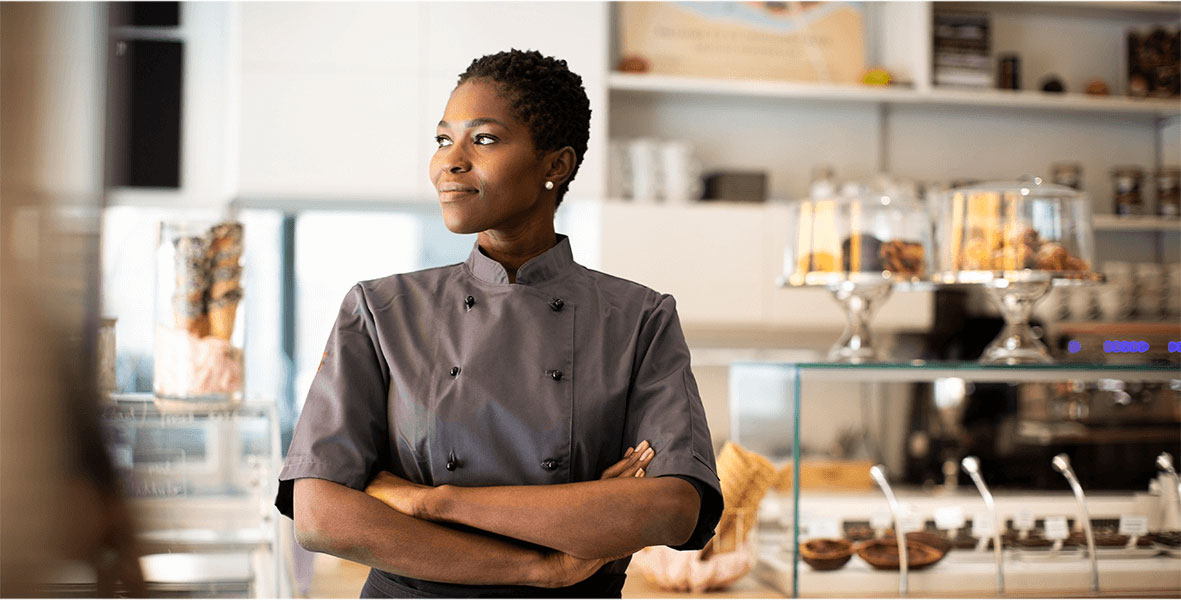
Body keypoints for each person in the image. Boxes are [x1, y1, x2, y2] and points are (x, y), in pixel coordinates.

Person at [275, 49, 722, 598]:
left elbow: (673, 507)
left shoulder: (639, 318)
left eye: (482, 139)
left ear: (554, 165)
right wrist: (542, 565)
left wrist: (435, 501)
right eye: (444, 140)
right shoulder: (381, 309)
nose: (450, 162)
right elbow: (319, 514)